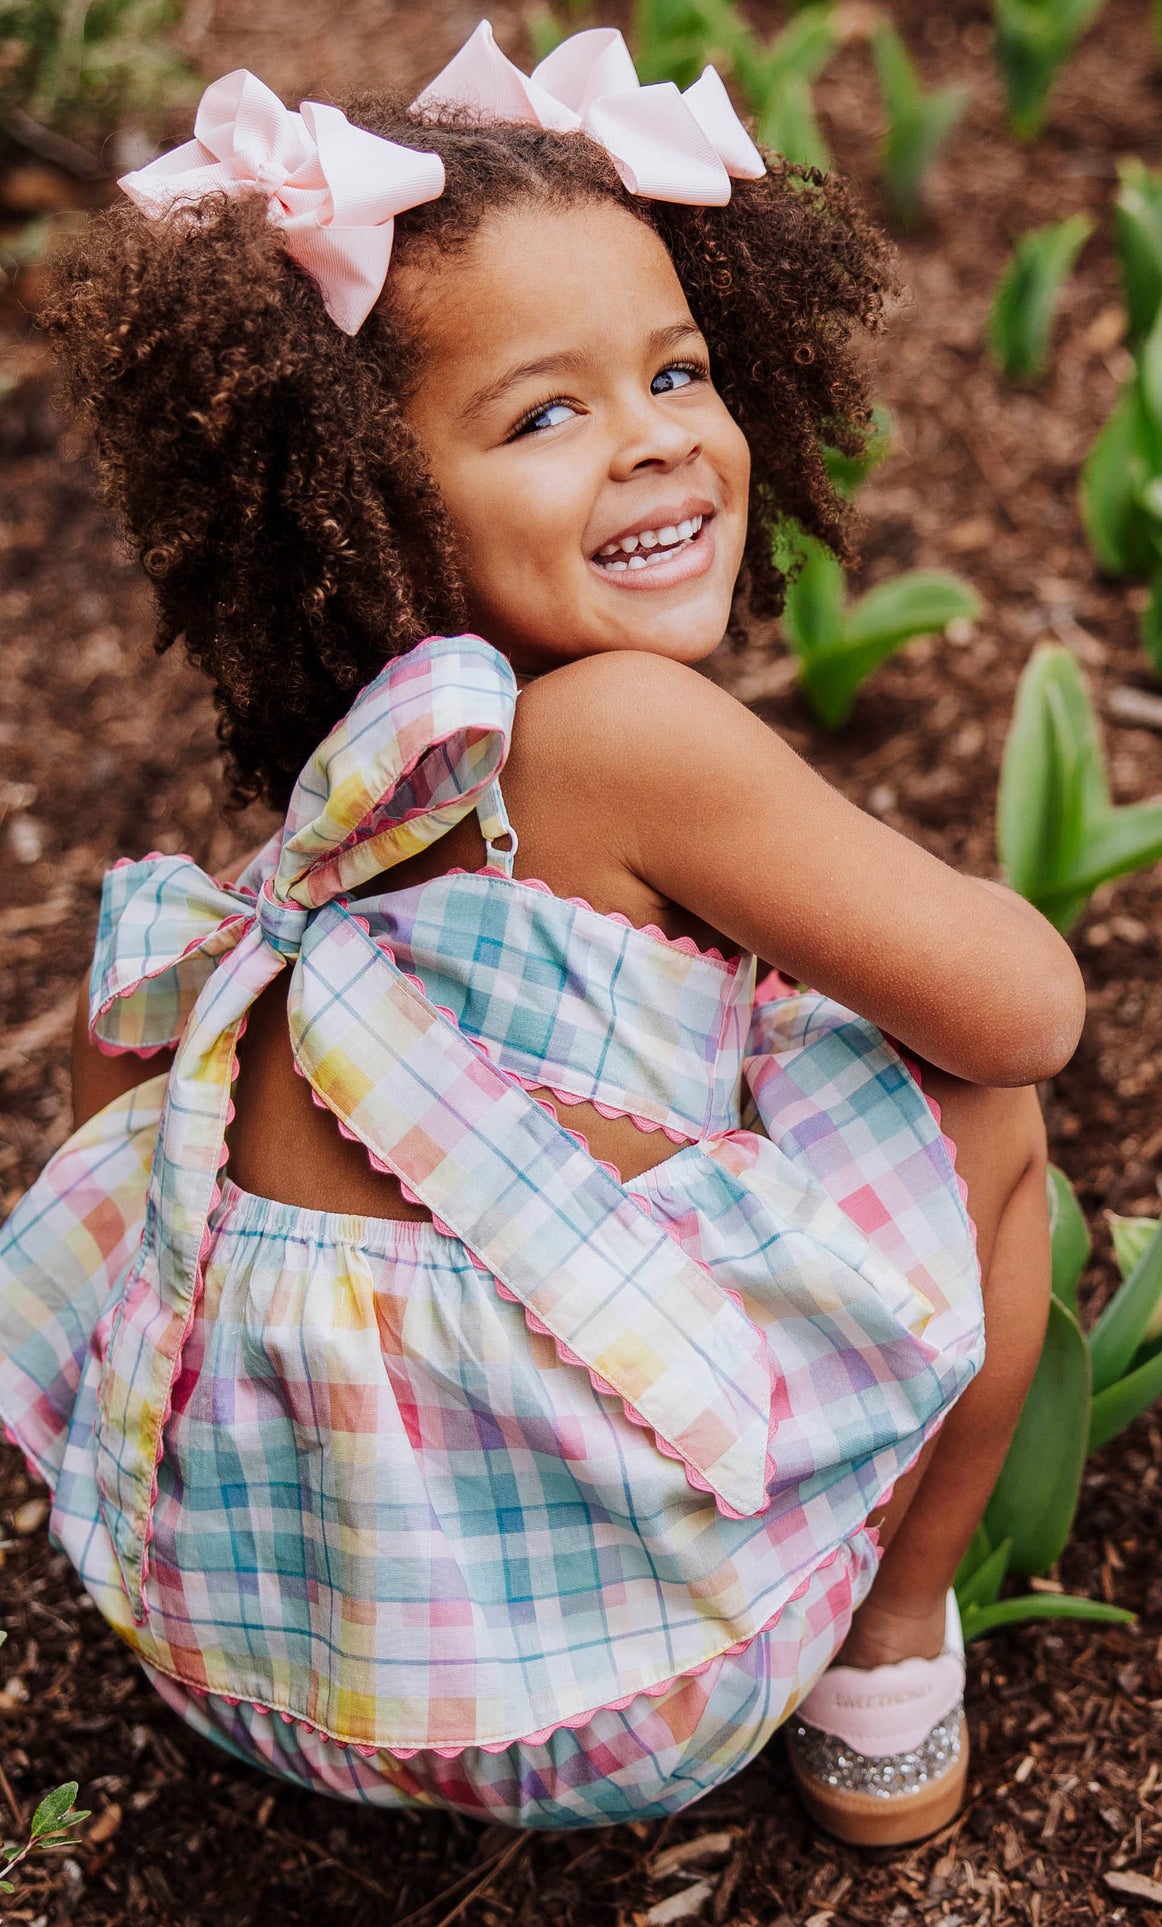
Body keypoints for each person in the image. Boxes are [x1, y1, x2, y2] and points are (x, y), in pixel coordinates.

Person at [0, 23, 1084, 1845]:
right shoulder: (625, 736)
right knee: (979, 1117)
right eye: (546, 412)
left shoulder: (355, 778)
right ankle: (884, 1666)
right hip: (600, 1697)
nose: (659, 440)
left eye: (676, 369)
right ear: (374, 499)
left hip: (248, 1647)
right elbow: (1027, 1009)